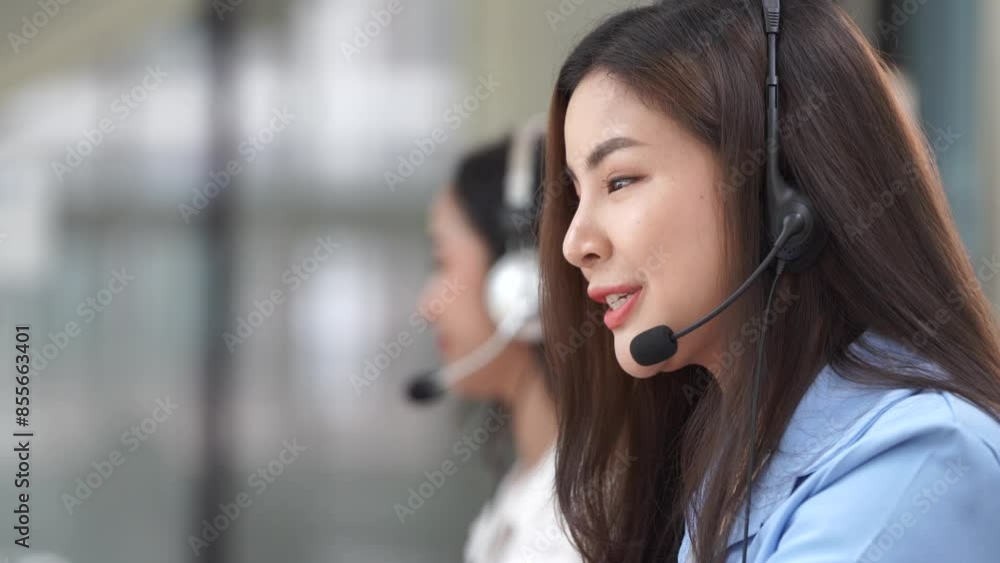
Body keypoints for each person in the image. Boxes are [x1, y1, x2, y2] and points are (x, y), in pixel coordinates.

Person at [535, 1, 1000, 562]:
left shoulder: (919, 460)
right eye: (575, 193)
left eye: (620, 180)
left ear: (781, 192)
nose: (575, 242)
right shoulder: (726, 465)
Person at [416, 123, 582, 563]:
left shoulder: (581, 523)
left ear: (525, 279)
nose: (427, 306)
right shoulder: (527, 486)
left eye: (441, 261)